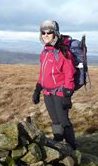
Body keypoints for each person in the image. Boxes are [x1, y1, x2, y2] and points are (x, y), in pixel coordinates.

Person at [32, 20, 77, 150]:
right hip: (47, 92)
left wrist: (67, 95)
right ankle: (58, 144)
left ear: (55, 33)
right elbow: (43, 73)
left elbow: (69, 75)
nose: (46, 34)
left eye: (49, 32)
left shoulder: (63, 53)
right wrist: (37, 89)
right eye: (43, 32)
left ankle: (72, 148)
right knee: (55, 121)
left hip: (60, 92)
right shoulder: (44, 52)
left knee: (64, 121)